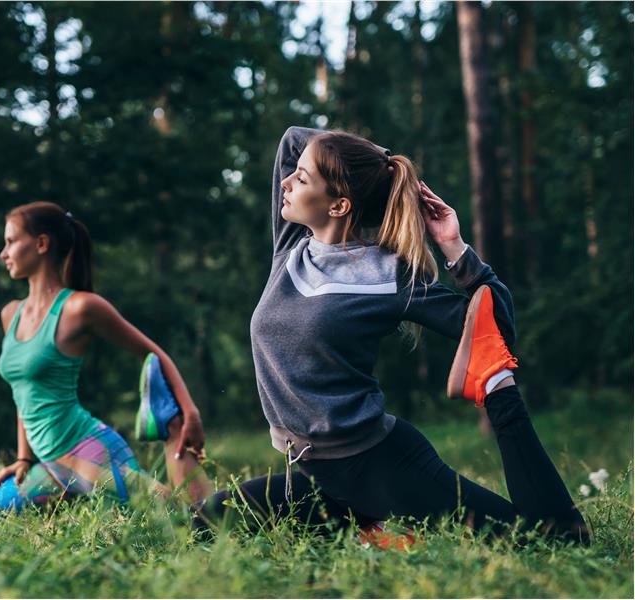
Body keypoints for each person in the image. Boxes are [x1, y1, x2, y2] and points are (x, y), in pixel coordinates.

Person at [192, 126, 589, 544]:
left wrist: (454, 247)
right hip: (317, 475)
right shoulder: (292, 247)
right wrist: (383, 165)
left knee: (549, 542)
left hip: (381, 464)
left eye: (303, 178)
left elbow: (496, 326)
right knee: (198, 526)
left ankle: (496, 393)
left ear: (340, 204)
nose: (286, 183)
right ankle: (374, 530)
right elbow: (293, 139)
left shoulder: (387, 276)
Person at [0, 202, 213, 516]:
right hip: (52, 466)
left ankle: (172, 434)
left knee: (186, 518)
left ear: (41, 244)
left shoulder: (80, 308)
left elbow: (152, 352)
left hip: (89, 454)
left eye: (11, 241)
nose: (3, 253)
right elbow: (23, 394)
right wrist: (24, 458)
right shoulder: (10, 314)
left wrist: (189, 414)